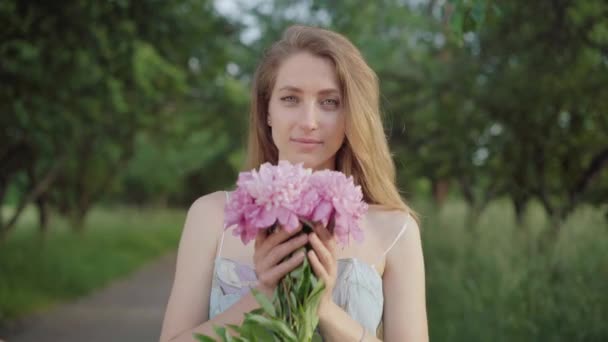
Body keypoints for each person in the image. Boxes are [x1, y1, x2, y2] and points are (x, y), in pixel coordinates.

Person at [160, 25, 428, 342]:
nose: (308, 121)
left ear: (352, 115)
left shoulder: (395, 230)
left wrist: (323, 307)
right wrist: (262, 297)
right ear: (267, 111)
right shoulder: (211, 215)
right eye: (290, 98)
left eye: (329, 102)